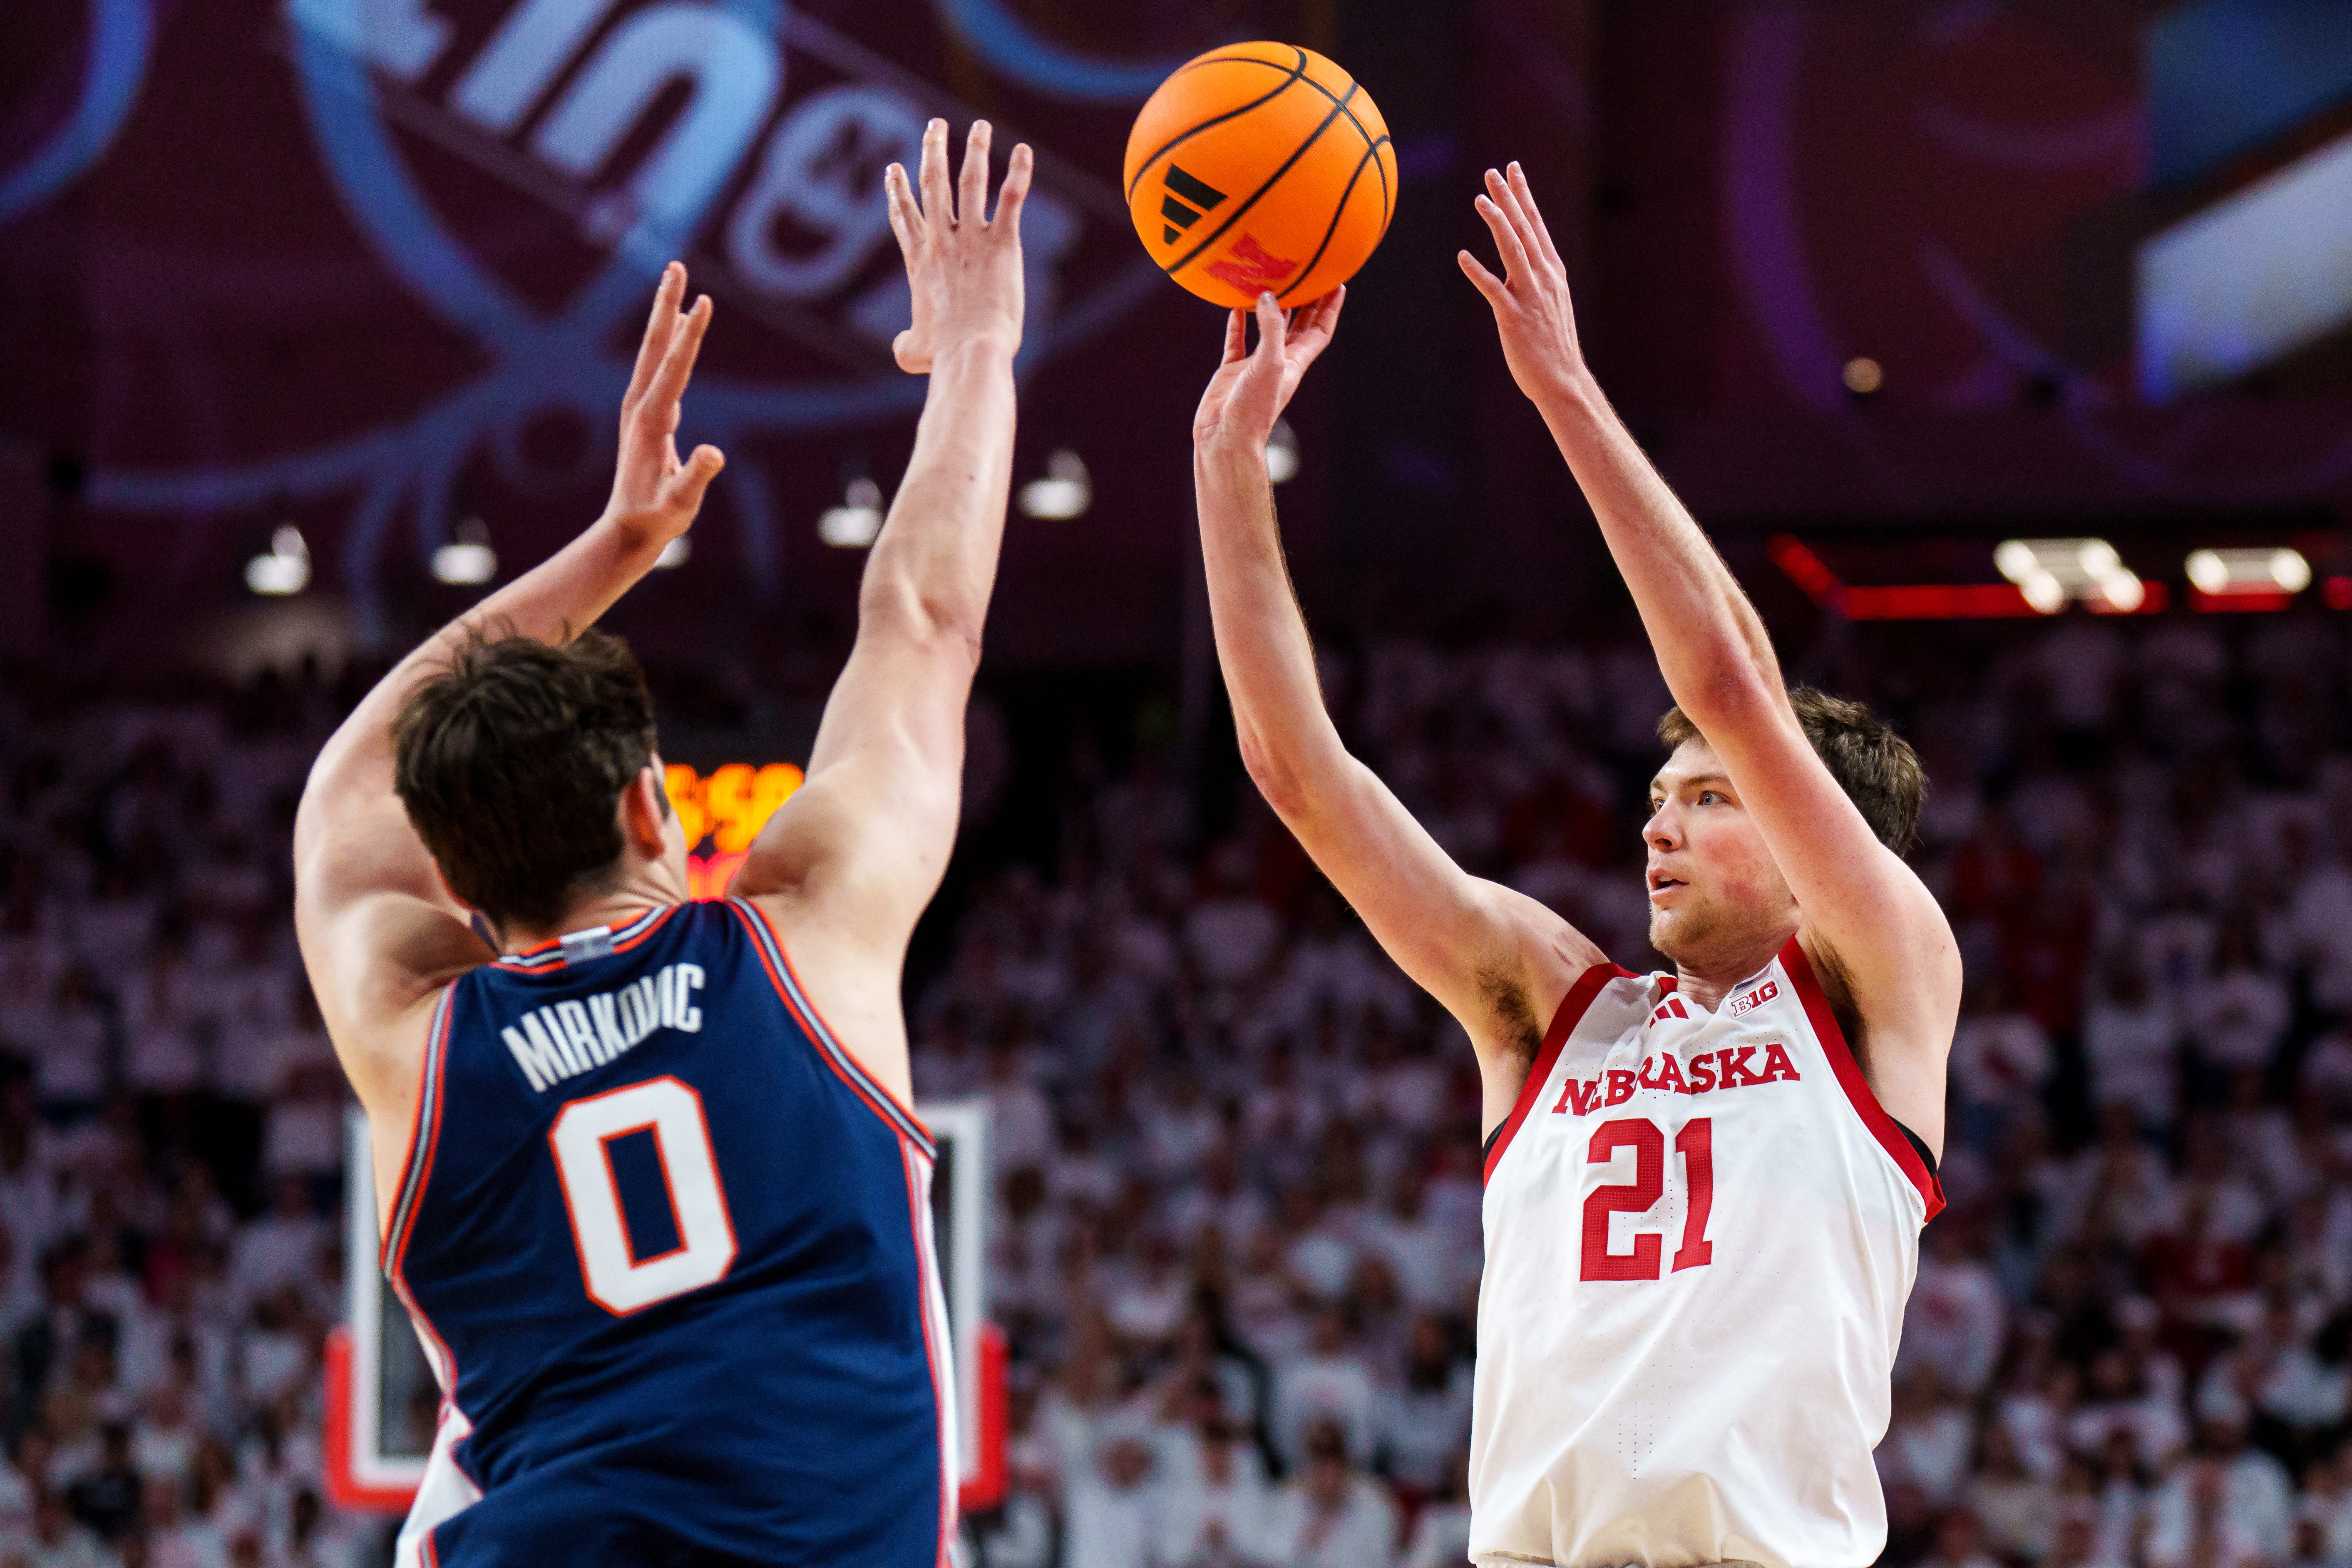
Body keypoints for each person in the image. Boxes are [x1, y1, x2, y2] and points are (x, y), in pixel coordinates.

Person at [1188, 159, 1957, 1566]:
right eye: (1657, 796)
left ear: (1812, 849)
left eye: (1711, 800)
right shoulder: (1552, 1000)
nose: (1658, 824)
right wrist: (1228, 467)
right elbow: (1298, 776)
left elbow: (1732, 682)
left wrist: (1560, 391)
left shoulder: (1878, 984)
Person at [291, 119, 1033, 1566]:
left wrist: (613, 547)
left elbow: (341, 791)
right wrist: (980, 351)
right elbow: (924, 620)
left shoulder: (412, 1030)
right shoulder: (806, 935)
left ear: (450, 882)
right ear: (654, 805)